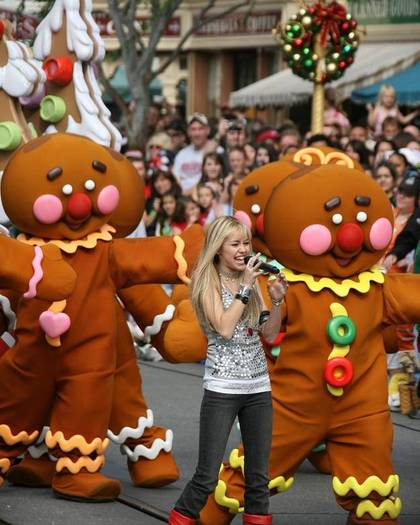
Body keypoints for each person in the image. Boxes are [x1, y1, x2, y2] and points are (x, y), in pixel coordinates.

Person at [168, 216, 287, 525]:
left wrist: (277, 304)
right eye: (235, 244)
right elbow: (223, 326)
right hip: (222, 388)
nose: (243, 250)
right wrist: (245, 288)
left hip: (258, 387)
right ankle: (180, 518)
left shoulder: (253, 281)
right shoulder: (206, 282)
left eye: (246, 243)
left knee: (258, 477)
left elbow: (270, 334)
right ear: (218, 248)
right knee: (207, 476)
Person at [173, 113, 216, 195]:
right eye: (193, 129)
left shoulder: (217, 150)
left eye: (200, 129)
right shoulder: (182, 154)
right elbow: (176, 178)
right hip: (182, 197)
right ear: (188, 132)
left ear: (207, 130)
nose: (197, 133)